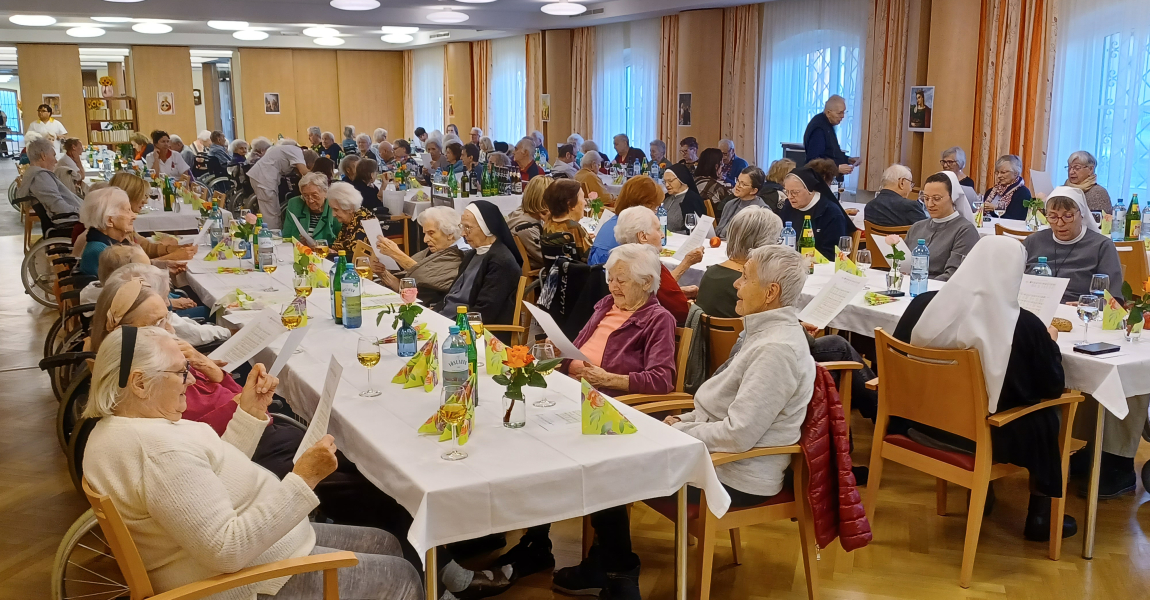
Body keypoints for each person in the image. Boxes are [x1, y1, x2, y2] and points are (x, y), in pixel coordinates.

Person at [81, 325, 424, 600]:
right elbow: (226, 551)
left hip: (256, 551)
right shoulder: (157, 451)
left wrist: (248, 413)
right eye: (181, 373)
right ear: (140, 382)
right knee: (402, 578)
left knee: (386, 542)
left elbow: (209, 478)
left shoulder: (120, 428)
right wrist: (304, 479)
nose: (190, 381)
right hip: (247, 581)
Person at [554, 245, 816, 600]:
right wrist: (687, 419)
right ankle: (608, 562)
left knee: (608, 465)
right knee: (606, 451)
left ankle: (619, 573)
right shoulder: (759, 333)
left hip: (737, 474)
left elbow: (739, 434)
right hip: (713, 451)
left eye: (745, 277)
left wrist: (679, 429)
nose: (736, 285)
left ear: (771, 293)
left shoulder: (776, 349)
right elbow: (723, 407)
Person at [891, 236, 1077, 541]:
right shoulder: (1023, 325)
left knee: (995, 399)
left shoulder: (923, 304)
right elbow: (1052, 386)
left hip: (919, 424)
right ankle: (1041, 517)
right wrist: (1050, 343)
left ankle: (983, 493)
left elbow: (900, 359)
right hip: (979, 437)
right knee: (1047, 414)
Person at [1023, 187, 1123, 302]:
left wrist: (1090, 304)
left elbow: (1115, 299)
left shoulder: (1101, 246)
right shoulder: (1033, 241)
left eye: (1068, 216)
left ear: (1082, 214)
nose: (1060, 223)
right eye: (1053, 217)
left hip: (1078, 312)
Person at [436, 201, 524, 330]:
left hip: (469, 329)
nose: (463, 234)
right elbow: (452, 294)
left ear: (486, 228)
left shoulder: (501, 262)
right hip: (448, 318)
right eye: (462, 227)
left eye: (468, 228)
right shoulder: (473, 254)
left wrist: (448, 325)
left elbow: (485, 311)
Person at [612, 207, 698, 323]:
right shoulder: (648, 267)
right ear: (643, 237)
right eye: (658, 230)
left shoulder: (617, 263)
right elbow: (683, 313)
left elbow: (655, 295)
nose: (662, 235)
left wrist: (679, 291)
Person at [695, 206, 782, 318]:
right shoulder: (753, 284)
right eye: (776, 240)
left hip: (706, 334)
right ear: (765, 243)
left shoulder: (710, 273)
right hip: (744, 335)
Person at [374, 206, 466, 307]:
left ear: (450, 233)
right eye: (425, 234)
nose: (425, 240)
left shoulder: (461, 254)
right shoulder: (435, 249)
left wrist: (396, 254)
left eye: (431, 233)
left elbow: (425, 276)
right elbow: (410, 286)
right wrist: (384, 275)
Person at [906, 172, 980, 282]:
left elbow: (953, 276)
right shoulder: (917, 227)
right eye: (926, 198)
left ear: (953, 198)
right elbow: (902, 263)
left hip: (940, 293)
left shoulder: (965, 231)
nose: (930, 204)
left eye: (936, 198)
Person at [778, 167, 853, 261]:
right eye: (786, 192)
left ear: (810, 190)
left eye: (795, 192)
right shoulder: (788, 206)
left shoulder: (831, 213)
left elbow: (832, 254)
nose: (789, 197)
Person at [588, 175, 663, 266]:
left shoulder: (614, 221)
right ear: (645, 205)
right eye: (655, 207)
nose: (655, 213)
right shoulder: (631, 230)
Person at [16, 138, 82, 221]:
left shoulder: (36, 174)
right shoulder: (40, 177)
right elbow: (58, 207)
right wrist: (85, 212)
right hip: (73, 220)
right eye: (53, 156)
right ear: (43, 156)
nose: (56, 161)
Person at [247, 139, 308, 229]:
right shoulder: (296, 151)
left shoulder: (285, 149)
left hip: (261, 176)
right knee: (271, 212)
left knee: (270, 210)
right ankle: (272, 236)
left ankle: (269, 233)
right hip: (264, 178)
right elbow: (304, 172)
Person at [78, 187, 137, 277]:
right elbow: (130, 279)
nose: (134, 216)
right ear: (109, 221)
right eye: (128, 211)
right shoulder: (102, 251)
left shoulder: (107, 243)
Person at [802, 95, 859, 176]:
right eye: (839, 113)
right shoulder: (819, 129)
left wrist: (848, 160)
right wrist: (837, 169)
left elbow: (830, 153)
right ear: (829, 113)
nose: (842, 116)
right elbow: (814, 161)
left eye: (844, 112)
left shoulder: (828, 125)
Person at [506, 175, 553, 271]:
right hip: (541, 276)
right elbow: (549, 260)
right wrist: (550, 224)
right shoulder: (527, 228)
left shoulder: (519, 213)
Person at [283, 172, 341, 244]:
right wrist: (299, 242)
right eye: (305, 196)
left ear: (326, 192)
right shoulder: (295, 204)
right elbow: (286, 236)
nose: (310, 200)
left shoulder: (335, 207)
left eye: (315, 195)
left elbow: (341, 241)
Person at [543, 179, 593, 260]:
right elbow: (591, 258)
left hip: (556, 269)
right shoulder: (573, 228)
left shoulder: (548, 220)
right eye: (583, 198)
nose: (585, 202)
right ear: (570, 204)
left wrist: (583, 237)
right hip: (577, 271)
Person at [716, 166, 770, 239]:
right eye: (738, 181)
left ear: (754, 190)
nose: (737, 186)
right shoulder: (730, 204)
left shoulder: (762, 212)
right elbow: (719, 232)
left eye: (743, 184)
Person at [327, 181, 374, 257]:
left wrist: (332, 254)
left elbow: (355, 256)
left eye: (336, 209)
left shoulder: (363, 221)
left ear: (349, 208)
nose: (333, 214)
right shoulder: (349, 220)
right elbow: (340, 246)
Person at [983, 154, 1031, 220]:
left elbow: (1017, 219)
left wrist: (995, 209)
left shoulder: (1023, 193)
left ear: (1015, 173)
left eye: (1003, 172)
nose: (999, 176)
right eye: (997, 173)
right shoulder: (990, 192)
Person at [662, 164, 706, 234]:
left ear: (682, 179)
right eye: (665, 182)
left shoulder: (692, 200)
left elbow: (695, 231)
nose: (667, 185)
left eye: (670, 181)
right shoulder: (666, 198)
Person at [693, 148, 727, 213]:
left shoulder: (694, 180)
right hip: (713, 220)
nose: (722, 167)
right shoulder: (714, 186)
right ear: (716, 166)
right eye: (722, 164)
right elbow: (729, 201)